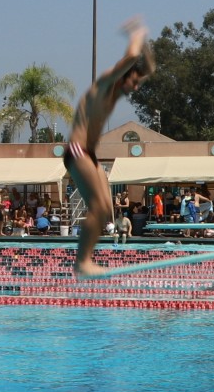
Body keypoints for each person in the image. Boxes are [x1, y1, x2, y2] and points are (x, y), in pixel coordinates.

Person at [63, 17, 156, 277]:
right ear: (123, 77)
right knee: (96, 207)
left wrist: (145, 44)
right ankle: (82, 262)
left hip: (89, 155)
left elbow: (148, 67)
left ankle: (86, 259)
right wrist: (136, 35)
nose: (136, 87)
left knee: (105, 210)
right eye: (134, 82)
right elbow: (129, 59)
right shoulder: (103, 85)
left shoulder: (115, 93)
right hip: (77, 151)